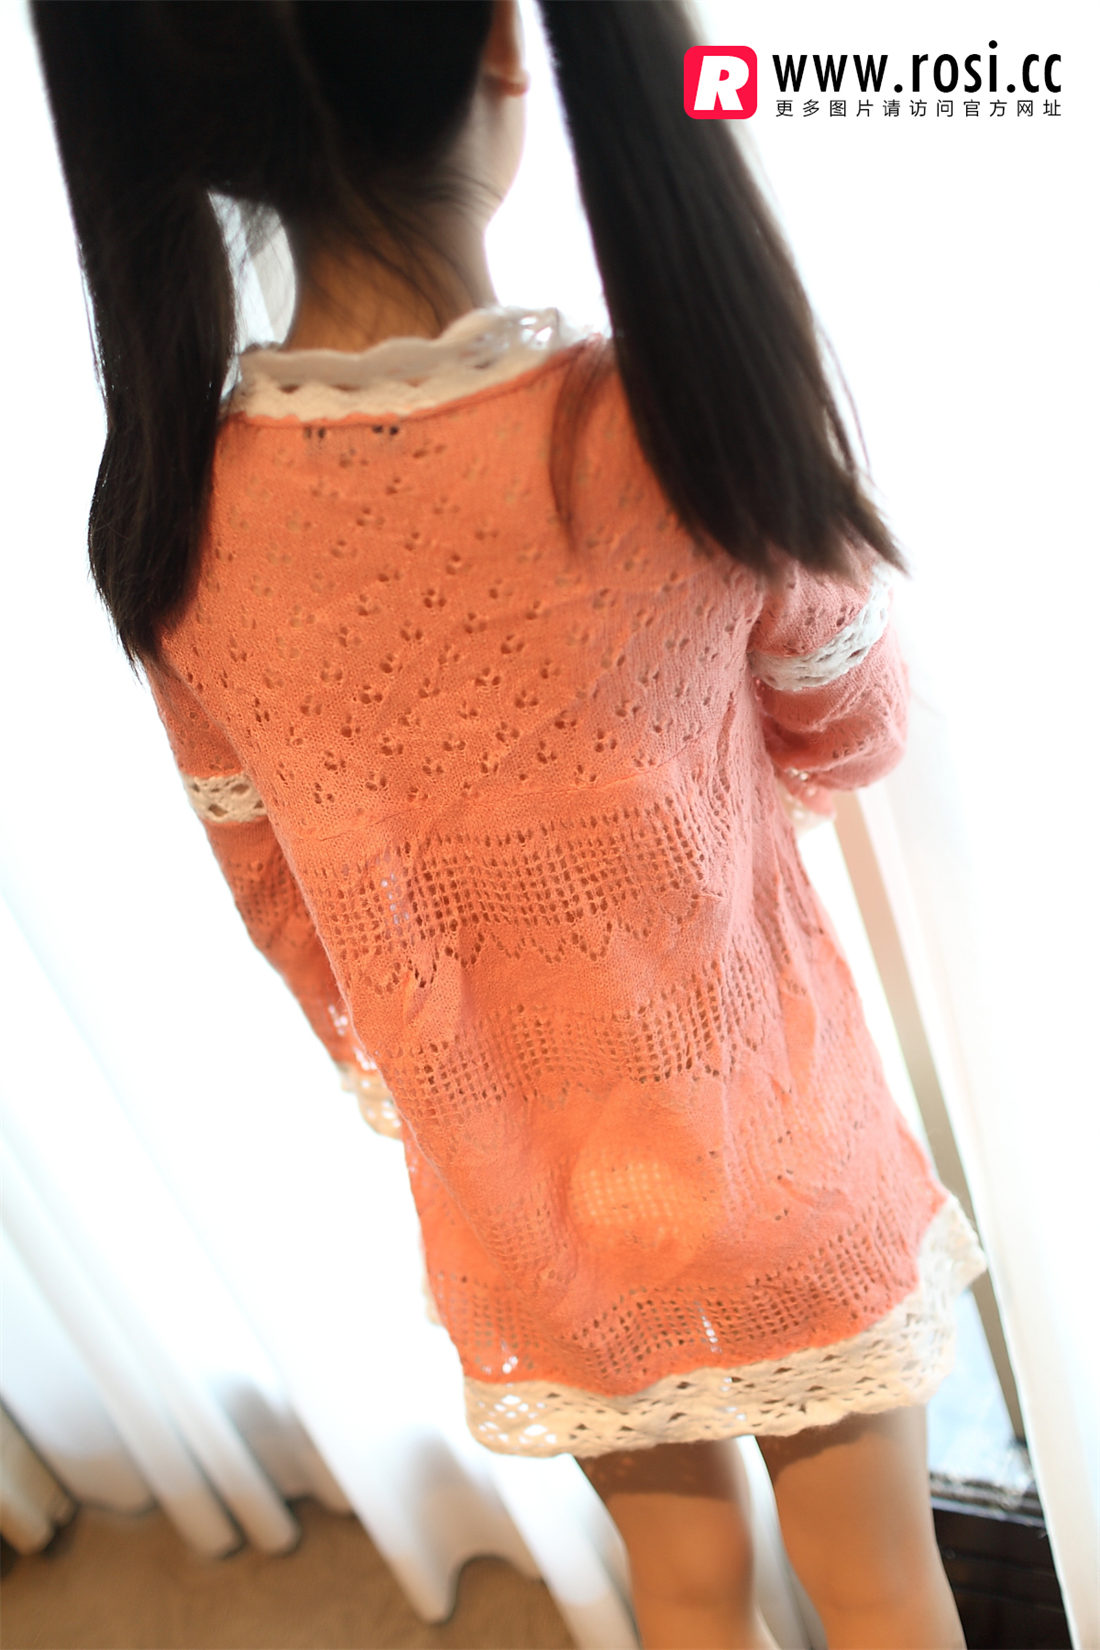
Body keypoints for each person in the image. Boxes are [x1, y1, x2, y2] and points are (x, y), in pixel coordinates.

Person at [32, 3, 988, 1646]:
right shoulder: (671, 420)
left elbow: (280, 901)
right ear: (501, 49)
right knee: (884, 1581)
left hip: (527, 1200)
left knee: (684, 1588)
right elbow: (852, 716)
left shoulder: (181, 522)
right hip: (771, 1137)